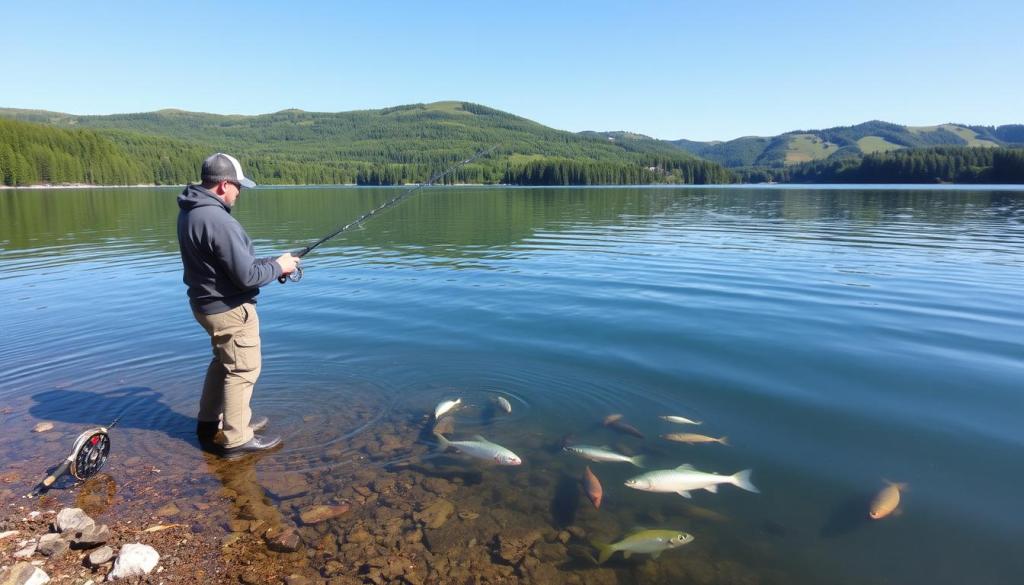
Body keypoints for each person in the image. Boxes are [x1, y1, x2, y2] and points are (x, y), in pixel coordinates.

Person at [176, 153, 299, 457]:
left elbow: (230, 265)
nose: (240, 192)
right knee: (243, 370)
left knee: (223, 363)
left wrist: (273, 263)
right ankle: (237, 437)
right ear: (223, 185)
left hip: (205, 306)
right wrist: (280, 268)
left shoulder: (191, 211)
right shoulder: (220, 221)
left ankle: (210, 424)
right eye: (238, 186)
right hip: (230, 311)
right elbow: (246, 277)